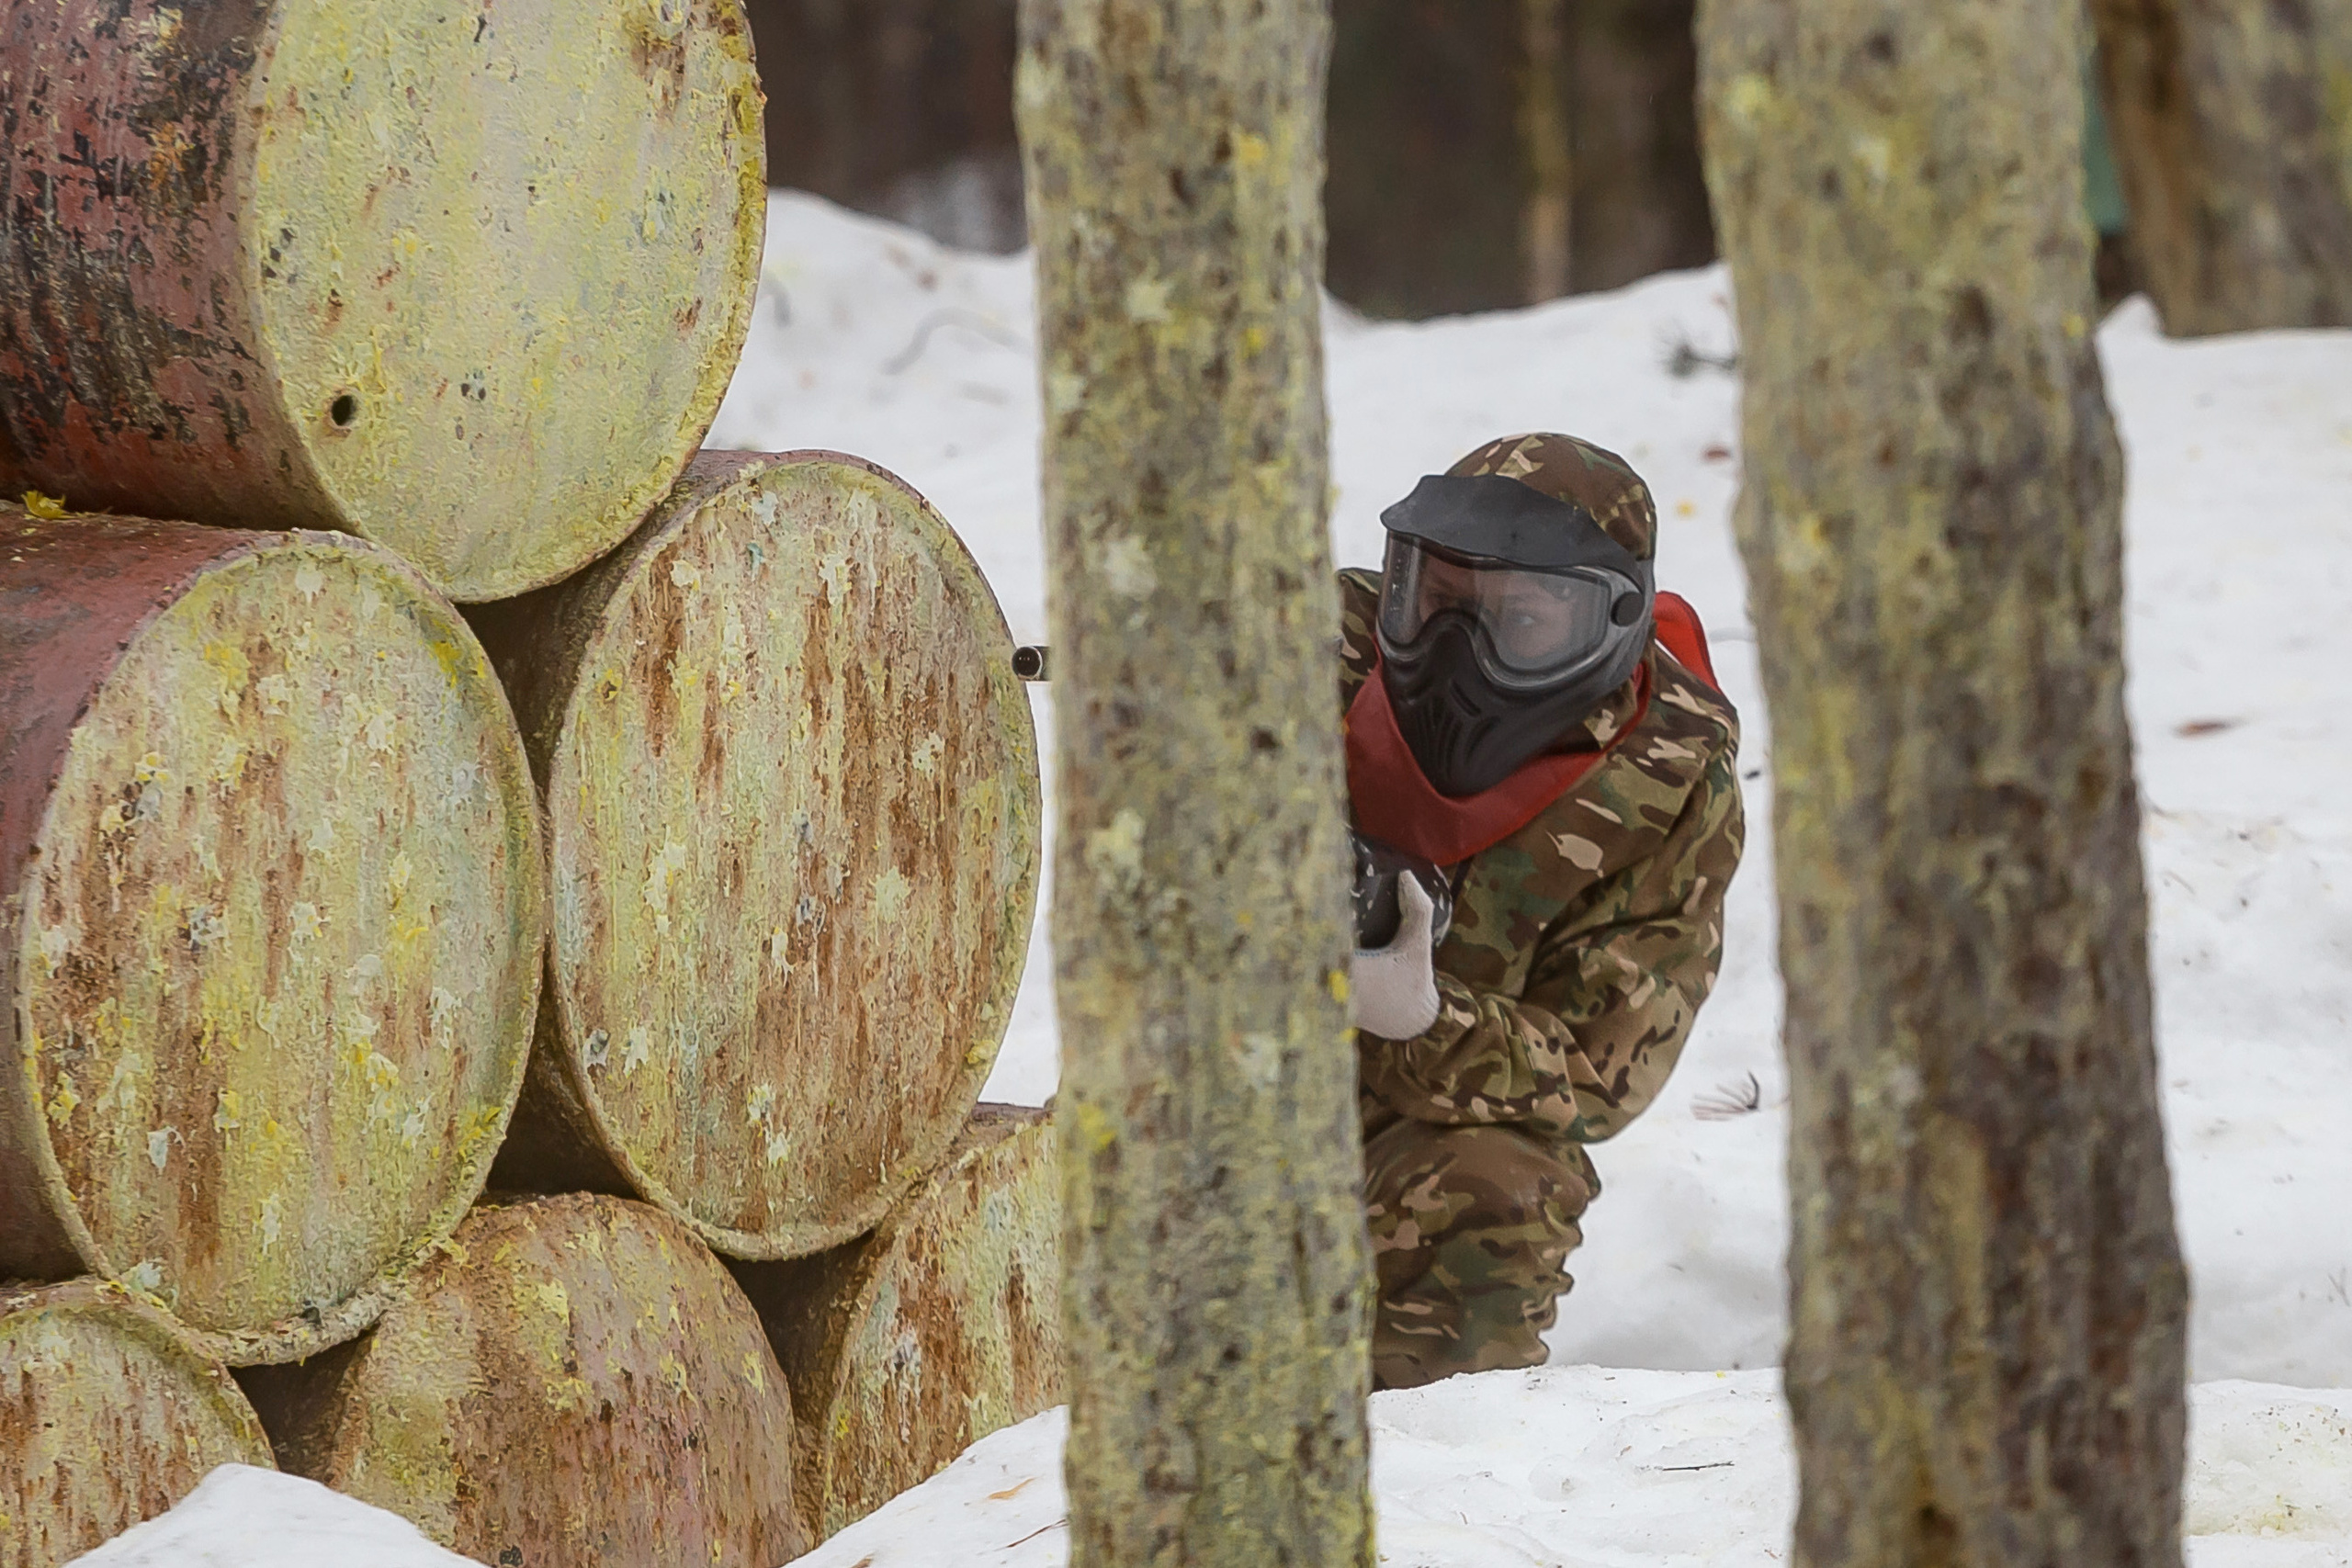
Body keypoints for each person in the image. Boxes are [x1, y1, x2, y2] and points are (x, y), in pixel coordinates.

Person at [1340, 432, 1745, 1390]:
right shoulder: (1326, 639)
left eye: (1518, 624)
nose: (1453, 652)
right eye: (1434, 604)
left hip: (1428, 1124)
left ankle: (1418, 1469)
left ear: (1607, 625)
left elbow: (1601, 1077)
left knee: (1501, 1188)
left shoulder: (1670, 778)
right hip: (1233, 1059)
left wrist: (1422, 1016)